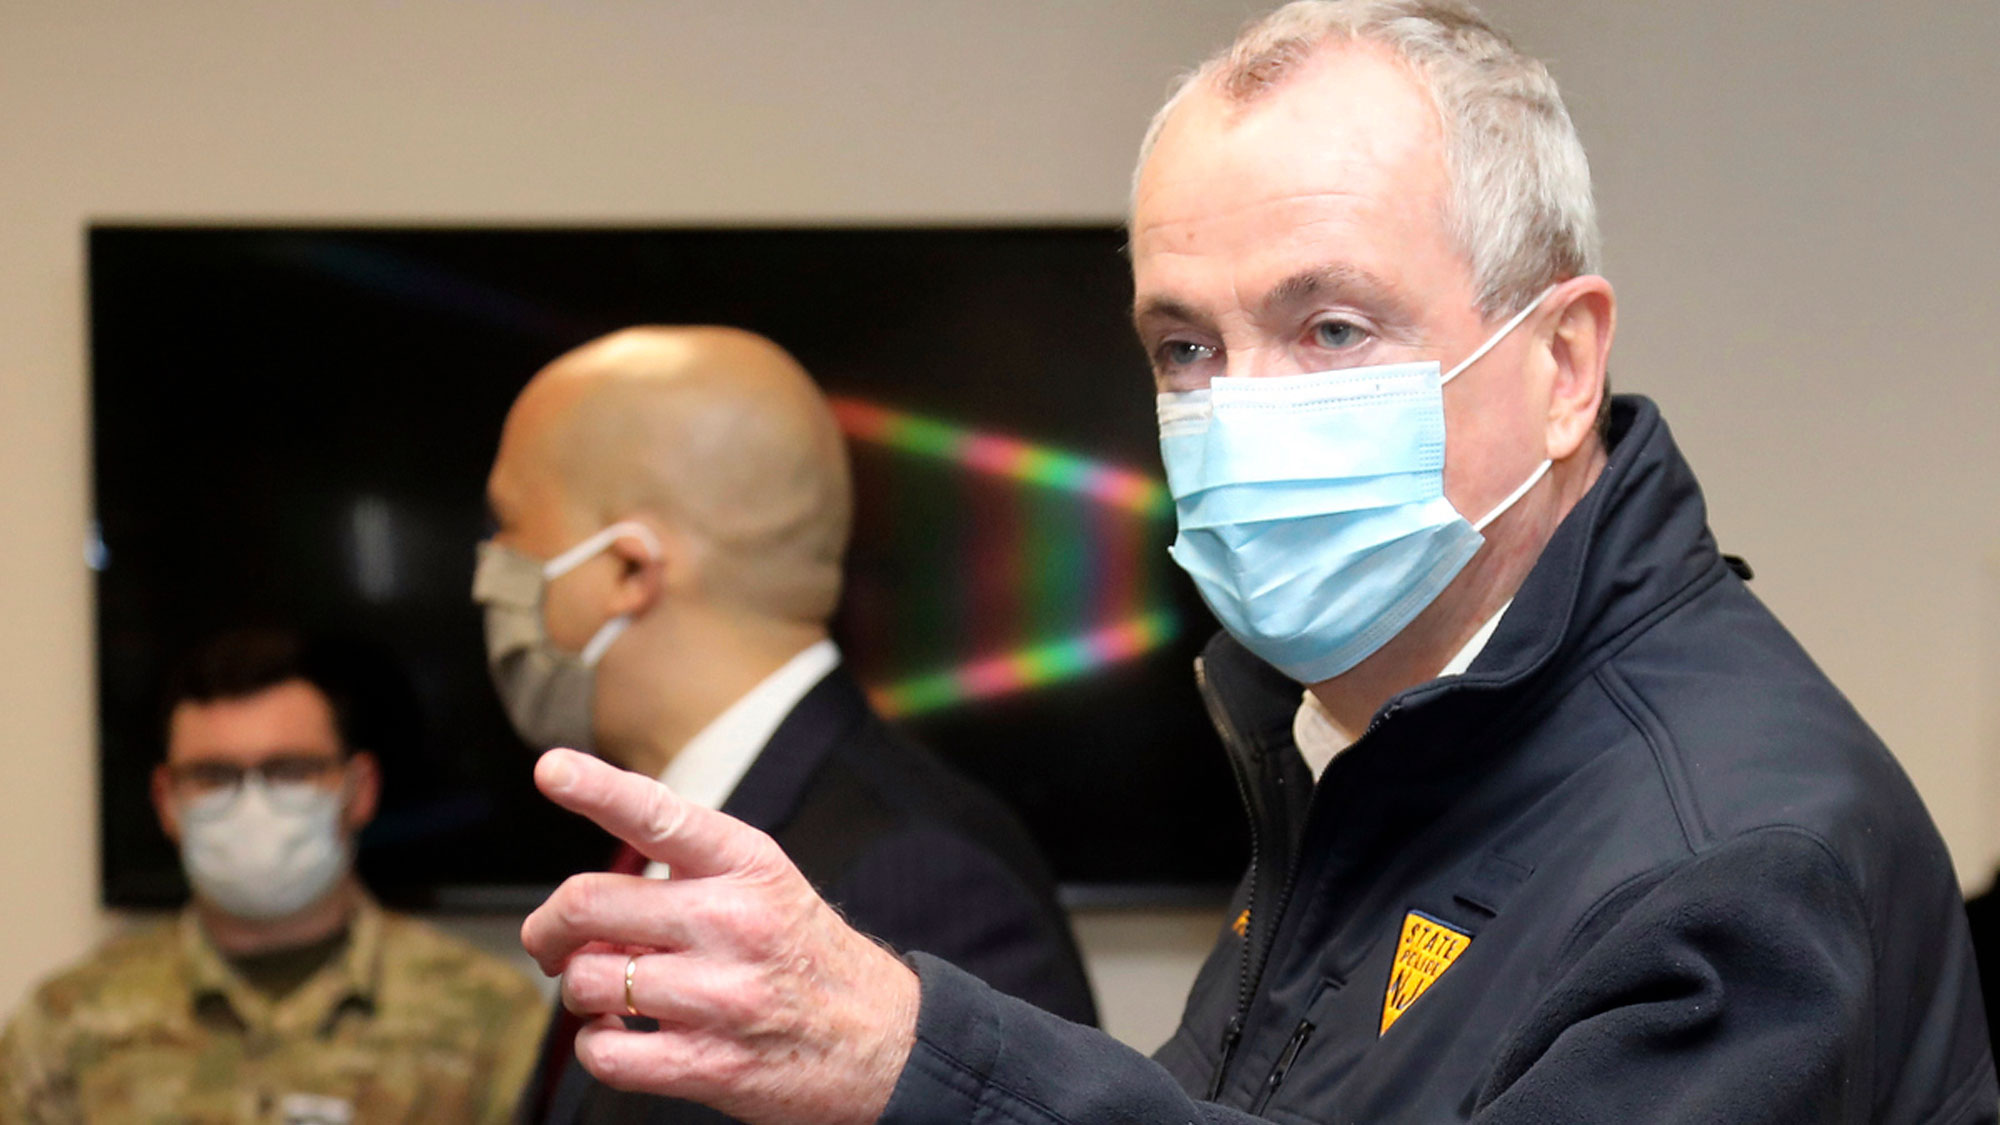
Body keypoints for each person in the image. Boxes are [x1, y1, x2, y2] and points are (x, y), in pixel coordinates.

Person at [510, 2, 2000, 1123]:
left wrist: (915, 1054)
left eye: (1333, 327)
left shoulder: (1733, 858)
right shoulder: (1365, 728)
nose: (1238, 411)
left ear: (1560, 363)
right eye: (1184, 346)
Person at [473, 325, 1098, 1123]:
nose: (490, 571)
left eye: (508, 528)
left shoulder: (923, 876)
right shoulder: (679, 834)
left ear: (627, 570)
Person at [0, 628, 547, 1125]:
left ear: (360, 788)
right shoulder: (66, 1026)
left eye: (290, 770)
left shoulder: (493, 1023)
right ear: (166, 800)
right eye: (214, 776)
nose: (252, 805)